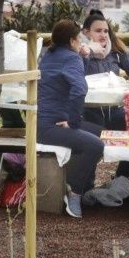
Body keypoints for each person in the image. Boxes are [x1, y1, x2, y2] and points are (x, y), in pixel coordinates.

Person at [77, 10, 129, 205]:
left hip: (115, 110)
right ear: (86, 32)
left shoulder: (115, 52)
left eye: (106, 31)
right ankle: (84, 188)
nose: (103, 35)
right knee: (91, 144)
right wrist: (87, 54)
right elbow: (74, 77)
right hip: (89, 111)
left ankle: (121, 179)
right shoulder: (79, 52)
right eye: (98, 31)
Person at [36, 18, 102, 219]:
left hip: (42, 122)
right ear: (73, 41)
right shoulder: (71, 58)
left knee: (99, 131)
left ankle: (86, 186)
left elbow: (67, 75)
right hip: (53, 126)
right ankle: (74, 192)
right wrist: (73, 123)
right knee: (96, 145)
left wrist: (83, 58)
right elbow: (79, 90)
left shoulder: (48, 55)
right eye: (79, 39)